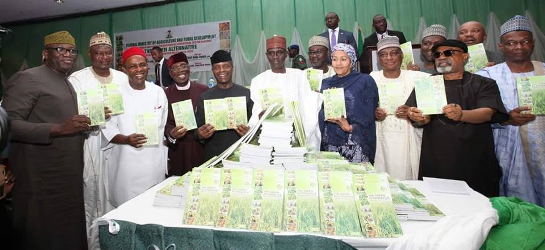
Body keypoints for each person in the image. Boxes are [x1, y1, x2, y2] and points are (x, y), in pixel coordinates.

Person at [3, 30, 89, 249]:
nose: (67, 54)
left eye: (71, 50)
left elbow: (64, 120)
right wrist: (58, 129)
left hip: (68, 175)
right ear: (45, 53)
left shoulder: (66, 81)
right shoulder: (28, 78)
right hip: (40, 177)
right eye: (60, 49)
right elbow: (8, 125)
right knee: (41, 234)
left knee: (68, 233)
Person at [405, 39, 509, 197]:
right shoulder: (428, 84)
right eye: (437, 54)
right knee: (440, 205)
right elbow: (421, 118)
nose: (441, 57)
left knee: (480, 210)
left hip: (475, 158)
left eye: (448, 53)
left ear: (465, 57)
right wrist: (418, 116)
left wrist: (462, 114)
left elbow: (488, 113)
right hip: (437, 158)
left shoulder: (483, 83)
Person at [476, 15, 544, 207]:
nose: (519, 47)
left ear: (533, 43)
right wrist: (504, 119)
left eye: (524, 42)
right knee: (515, 199)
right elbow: (479, 112)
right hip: (506, 147)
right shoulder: (488, 75)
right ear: (501, 46)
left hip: (542, 146)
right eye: (511, 43)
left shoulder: (543, 71)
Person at [68, 31, 124, 241]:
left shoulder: (122, 78)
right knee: (93, 194)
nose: (104, 57)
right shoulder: (77, 79)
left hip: (120, 144)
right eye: (99, 53)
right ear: (90, 54)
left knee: (115, 193)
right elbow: (70, 112)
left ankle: (116, 241)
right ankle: (93, 243)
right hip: (90, 143)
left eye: (108, 53)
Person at [102, 47, 168, 206]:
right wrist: (126, 139)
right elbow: (108, 130)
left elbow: (162, 128)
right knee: (127, 210)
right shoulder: (114, 93)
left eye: (142, 64)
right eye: (133, 66)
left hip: (153, 164)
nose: (139, 70)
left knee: (152, 208)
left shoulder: (158, 92)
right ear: (124, 69)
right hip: (126, 166)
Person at [371, 36, 429, 180]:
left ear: (402, 55)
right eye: (384, 55)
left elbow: (432, 106)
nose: (389, 58)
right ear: (378, 59)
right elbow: (365, 108)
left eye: (394, 53)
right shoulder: (372, 78)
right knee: (383, 176)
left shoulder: (418, 77)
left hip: (409, 136)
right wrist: (375, 114)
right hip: (382, 135)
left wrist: (412, 112)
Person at [249, 35, 319, 149]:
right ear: (267, 56)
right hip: (269, 137)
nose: (275, 57)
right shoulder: (258, 81)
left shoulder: (299, 76)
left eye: (279, 52)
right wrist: (259, 117)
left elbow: (309, 107)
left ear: (286, 54)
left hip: (297, 137)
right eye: (271, 53)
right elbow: (256, 112)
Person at [319, 43, 378, 163]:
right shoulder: (326, 83)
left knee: (356, 179)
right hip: (329, 141)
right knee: (333, 179)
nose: (338, 63)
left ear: (351, 61)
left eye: (343, 59)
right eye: (335, 59)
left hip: (355, 142)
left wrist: (351, 127)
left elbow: (370, 113)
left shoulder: (364, 81)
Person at [195, 50, 253, 160]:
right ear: (212, 70)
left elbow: (255, 127)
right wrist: (200, 134)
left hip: (242, 155)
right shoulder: (205, 97)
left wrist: (250, 133)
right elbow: (196, 131)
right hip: (214, 157)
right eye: (217, 67)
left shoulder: (246, 94)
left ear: (232, 67)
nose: (222, 70)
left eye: (226, 66)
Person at [164, 52, 208, 176]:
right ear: (170, 73)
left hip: (200, 148)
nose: (180, 71)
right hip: (178, 150)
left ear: (189, 68)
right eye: (175, 68)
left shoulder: (203, 90)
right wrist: (172, 133)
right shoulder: (165, 95)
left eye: (183, 66)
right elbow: (164, 122)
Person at [305, 36, 335, 148]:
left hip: (333, 128)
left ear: (327, 53)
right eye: (311, 52)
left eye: (318, 52)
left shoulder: (336, 74)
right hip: (311, 131)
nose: (314, 56)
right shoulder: (304, 75)